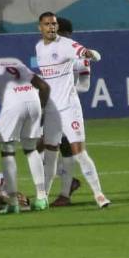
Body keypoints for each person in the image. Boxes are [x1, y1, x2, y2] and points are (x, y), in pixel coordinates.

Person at [35, 12, 109, 209]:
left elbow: (84, 81)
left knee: (76, 152)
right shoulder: (39, 48)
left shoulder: (69, 47)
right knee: (44, 150)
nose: (52, 28)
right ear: (40, 27)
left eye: (55, 25)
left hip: (69, 108)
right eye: (48, 24)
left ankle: (98, 195)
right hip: (51, 110)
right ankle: (46, 196)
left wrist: (90, 54)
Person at [0, 55, 50, 211]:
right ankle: (42, 198)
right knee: (31, 149)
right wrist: (41, 111)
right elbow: (45, 87)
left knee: (7, 153)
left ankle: (13, 202)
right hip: (34, 102)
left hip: (13, 105)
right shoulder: (16, 62)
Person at [48, 17, 86, 205]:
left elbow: (85, 86)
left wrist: (64, 92)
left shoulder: (79, 57)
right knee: (38, 148)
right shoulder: (47, 51)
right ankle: (68, 183)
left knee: (63, 149)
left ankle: (65, 193)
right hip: (50, 108)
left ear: (68, 35)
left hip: (66, 108)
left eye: (59, 32)